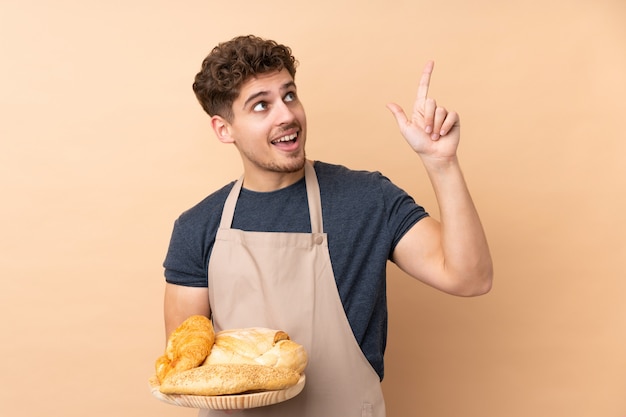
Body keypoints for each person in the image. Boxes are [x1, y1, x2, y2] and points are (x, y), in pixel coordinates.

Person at [162, 34, 492, 417]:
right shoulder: (197, 226)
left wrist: (441, 163)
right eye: (261, 106)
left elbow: (471, 277)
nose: (286, 115)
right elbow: (186, 366)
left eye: (289, 96)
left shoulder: (367, 199)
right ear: (224, 129)